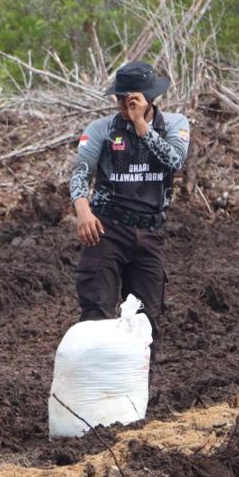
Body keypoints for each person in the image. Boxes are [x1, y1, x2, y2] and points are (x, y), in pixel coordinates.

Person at [68, 60, 190, 356]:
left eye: (132, 98)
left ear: (150, 98)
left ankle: (136, 398)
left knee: (145, 324)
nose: (124, 104)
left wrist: (141, 126)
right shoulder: (103, 129)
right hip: (107, 229)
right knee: (96, 314)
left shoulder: (174, 124)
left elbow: (174, 161)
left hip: (150, 231)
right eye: (120, 97)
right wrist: (82, 208)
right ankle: (93, 395)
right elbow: (81, 171)